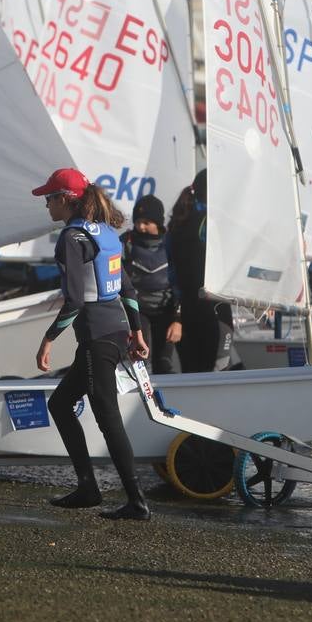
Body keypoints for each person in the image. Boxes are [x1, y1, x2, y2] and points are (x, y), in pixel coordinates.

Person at [33, 167, 151, 521]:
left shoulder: (71, 238)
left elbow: (75, 302)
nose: (47, 205)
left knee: (106, 414)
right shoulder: (106, 232)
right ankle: (88, 488)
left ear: (66, 200)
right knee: (61, 403)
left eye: (50, 198)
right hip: (116, 331)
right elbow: (127, 288)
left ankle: (136, 500)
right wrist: (137, 332)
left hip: (97, 337)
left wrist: (47, 339)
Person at [167, 169, 233, 373]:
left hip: (187, 309)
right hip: (213, 308)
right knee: (219, 370)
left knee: (192, 373)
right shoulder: (211, 222)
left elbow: (172, 274)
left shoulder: (178, 221)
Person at [121, 194, 181, 374]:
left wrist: (178, 320)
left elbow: (183, 284)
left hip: (168, 312)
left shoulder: (173, 242)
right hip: (139, 312)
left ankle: (166, 400)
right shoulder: (126, 242)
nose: (141, 227)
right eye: (138, 221)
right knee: (142, 362)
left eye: (147, 222)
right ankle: (142, 401)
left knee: (163, 363)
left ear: (158, 223)